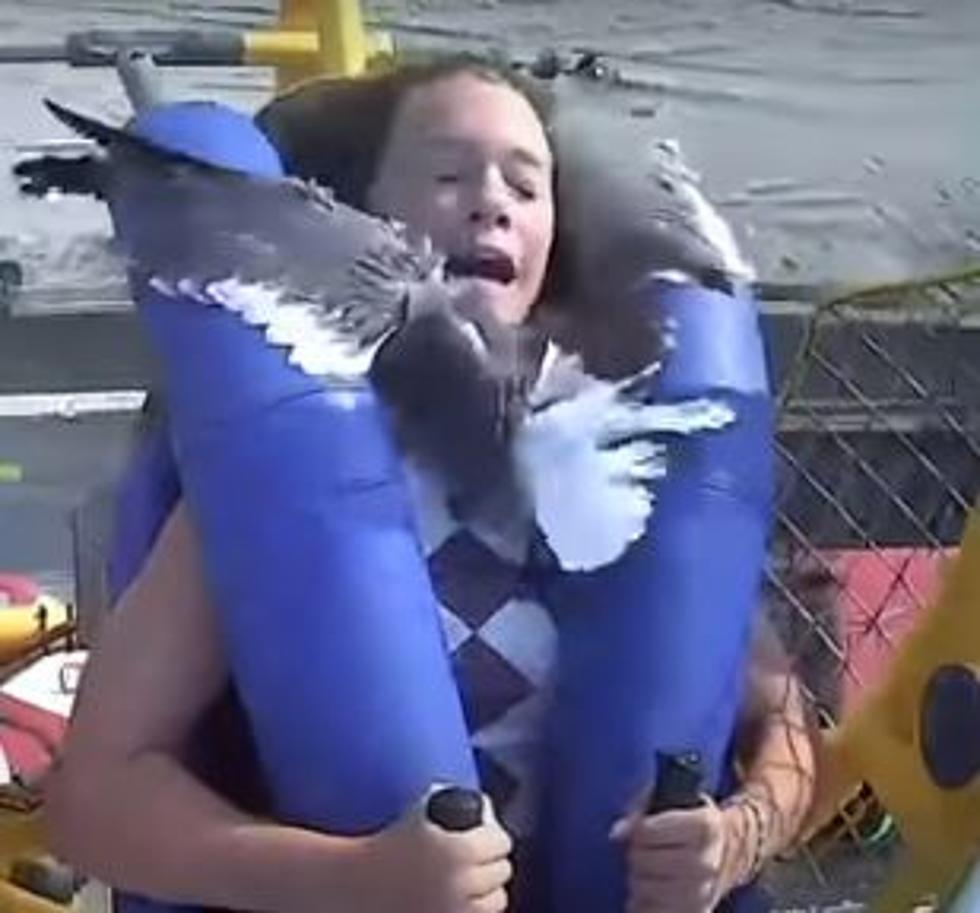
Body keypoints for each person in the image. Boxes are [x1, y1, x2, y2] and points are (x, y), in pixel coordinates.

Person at [45, 58, 818, 913]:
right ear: (362, 223)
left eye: (527, 187)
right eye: (449, 175)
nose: (493, 201)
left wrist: (742, 832)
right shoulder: (280, 484)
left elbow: (784, 723)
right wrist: (357, 879)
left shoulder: (625, 456)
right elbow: (93, 805)